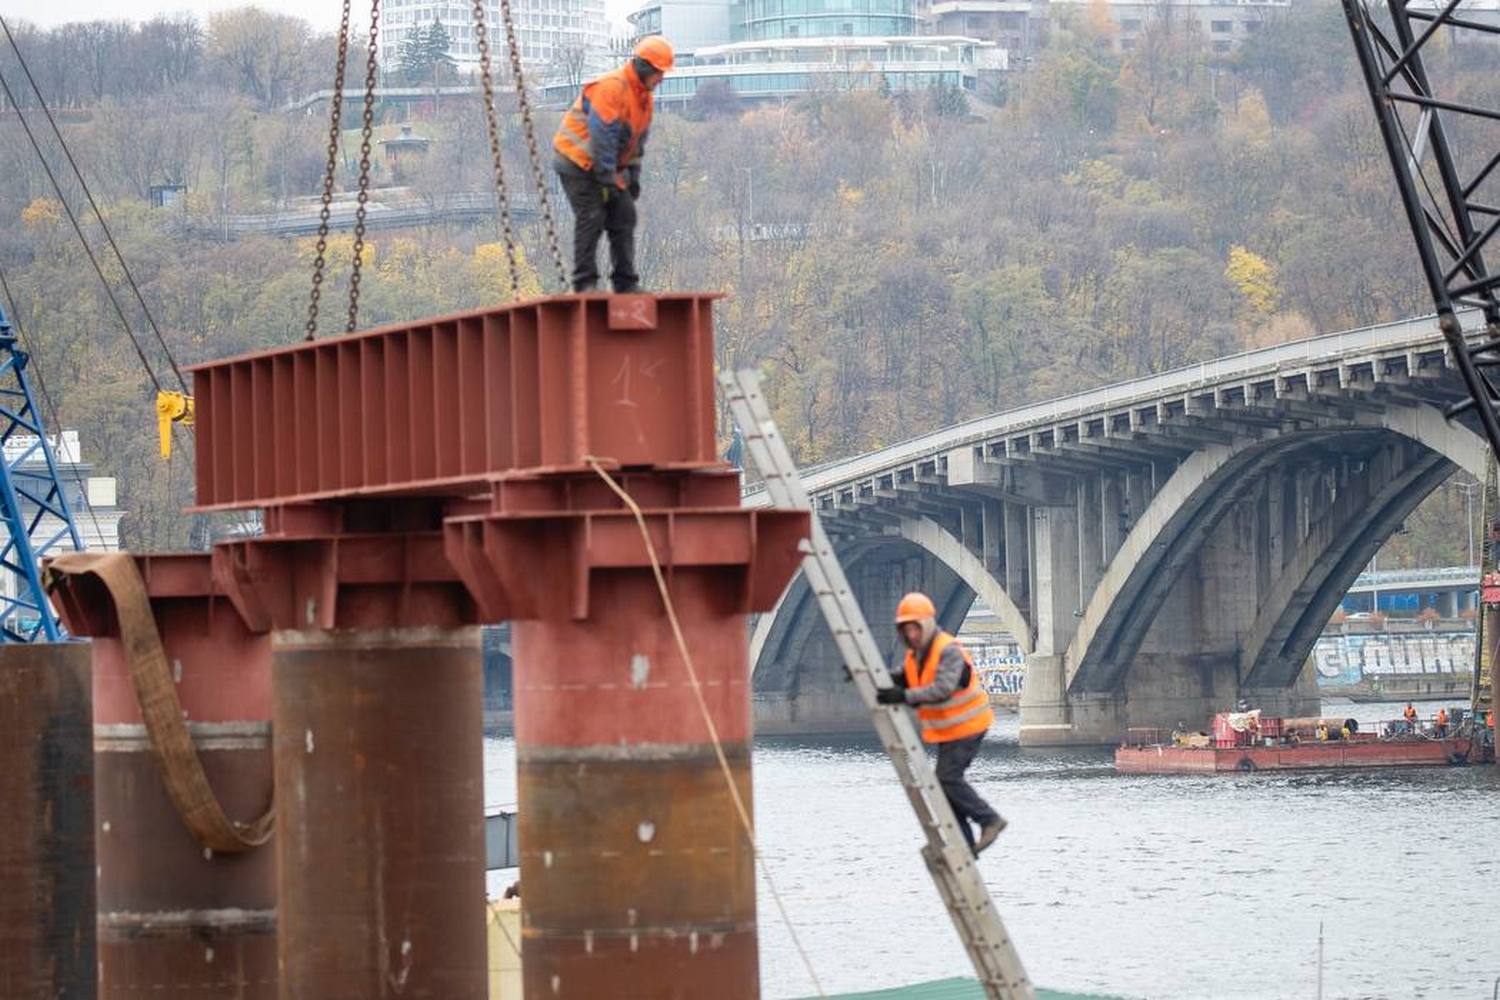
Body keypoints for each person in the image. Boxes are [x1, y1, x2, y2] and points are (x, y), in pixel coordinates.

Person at [875, 592, 1006, 855]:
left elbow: (942, 689)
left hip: (969, 726)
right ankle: (965, 845)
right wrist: (870, 677)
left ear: (926, 625)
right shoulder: (917, 656)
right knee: (944, 785)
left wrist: (903, 696)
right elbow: (904, 677)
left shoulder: (948, 650)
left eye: (915, 628)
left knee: (947, 779)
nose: (911, 635)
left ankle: (989, 819)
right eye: (906, 629)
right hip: (950, 731)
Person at [552, 36, 674, 293]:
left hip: (604, 166)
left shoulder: (644, 99)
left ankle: (625, 283)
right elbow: (602, 135)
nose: (662, 79)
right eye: (659, 73)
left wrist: (633, 176)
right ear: (645, 68)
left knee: (624, 214)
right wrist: (607, 176)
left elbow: (636, 143)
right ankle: (584, 283)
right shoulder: (613, 87)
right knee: (592, 214)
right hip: (575, 160)